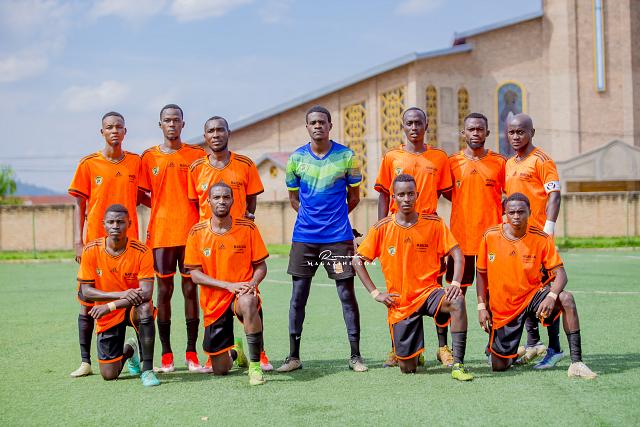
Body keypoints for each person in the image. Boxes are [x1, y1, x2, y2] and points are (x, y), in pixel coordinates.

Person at [353, 174, 472, 380]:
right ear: (393, 197)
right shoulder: (382, 228)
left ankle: (458, 364)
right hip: (402, 302)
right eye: (401, 194)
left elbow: (458, 254)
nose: (406, 199)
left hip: (429, 293)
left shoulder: (434, 224)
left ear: (417, 195)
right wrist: (376, 294)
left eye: (410, 194)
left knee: (457, 300)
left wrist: (455, 283)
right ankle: (415, 354)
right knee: (408, 368)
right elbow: (357, 260)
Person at [278, 105, 366, 373]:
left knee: (346, 295)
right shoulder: (295, 159)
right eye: (313, 122)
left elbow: (354, 197)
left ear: (330, 125)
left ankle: (355, 356)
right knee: (298, 297)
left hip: (338, 237)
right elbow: (294, 199)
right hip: (305, 237)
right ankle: (293, 357)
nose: (318, 126)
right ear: (307, 127)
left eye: (322, 122)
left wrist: (335, 218)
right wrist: (313, 219)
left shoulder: (347, 156)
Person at [476, 193, 596, 379]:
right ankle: (513, 353)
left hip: (532, 296)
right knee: (498, 366)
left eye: (521, 212)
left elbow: (561, 275)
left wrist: (551, 296)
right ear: (505, 213)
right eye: (511, 212)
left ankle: (577, 363)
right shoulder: (490, 236)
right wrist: (481, 306)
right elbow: (481, 274)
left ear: (530, 213)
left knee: (566, 298)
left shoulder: (541, 238)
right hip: (505, 308)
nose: (516, 216)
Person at [187, 115, 272, 371]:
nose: (216, 135)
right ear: (205, 136)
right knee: (219, 369)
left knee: (249, 299)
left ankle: (260, 354)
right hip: (209, 247)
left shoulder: (245, 164)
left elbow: (252, 199)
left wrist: (247, 217)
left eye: (220, 130)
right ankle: (230, 353)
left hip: (238, 240)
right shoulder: (196, 168)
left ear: (228, 133)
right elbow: (194, 204)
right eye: (211, 131)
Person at [374, 107, 454, 368]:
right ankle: (399, 348)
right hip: (397, 232)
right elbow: (384, 194)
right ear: (403, 126)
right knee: (397, 293)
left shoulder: (439, 157)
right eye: (409, 123)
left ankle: (443, 347)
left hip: (428, 232)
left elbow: (446, 192)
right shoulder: (391, 157)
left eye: (418, 123)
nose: (414, 127)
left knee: (436, 289)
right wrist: (381, 228)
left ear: (426, 125)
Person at [68, 111, 145, 377]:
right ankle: (85, 361)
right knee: (86, 300)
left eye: (118, 127)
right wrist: (78, 241)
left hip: (129, 245)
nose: (114, 131)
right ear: (102, 132)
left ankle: (143, 356)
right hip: (95, 244)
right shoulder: (89, 163)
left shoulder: (136, 162)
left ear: (125, 131)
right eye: (109, 127)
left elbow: (145, 195)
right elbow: (79, 204)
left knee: (137, 298)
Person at [139, 104, 205, 373]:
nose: (172, 124)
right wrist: (160, 206)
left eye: (176, 120)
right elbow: (140, 194)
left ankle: (191, 353)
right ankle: (166, 355)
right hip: (162, 235)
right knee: (163, 292)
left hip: (191, 234)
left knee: (191, 290)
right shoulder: (149, 157)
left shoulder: (197, 155)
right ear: (160, 125)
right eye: (167, 120)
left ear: (183, 124)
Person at [184, 182, 269, 386]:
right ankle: (235, 352)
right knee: (220, 370)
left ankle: (255, 367)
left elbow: (261, 266)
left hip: (241, 294)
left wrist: (252, 283)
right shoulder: (197, 232)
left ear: (232, 200)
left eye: (226, 197)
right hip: (214, 301)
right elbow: (195, 275)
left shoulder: (248, 228)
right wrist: (227, 285)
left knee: (248, 301)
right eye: (217, 197)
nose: (221, 201)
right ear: (208, 201)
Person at [78, 204, 160, 386]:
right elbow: (86, 291)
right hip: (108, 315)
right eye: (111, 222)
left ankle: (147, 370)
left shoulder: (142, 251)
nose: (115, 226)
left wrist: (111, 305)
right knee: (109, 374)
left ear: (129, 224)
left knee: (145, 308)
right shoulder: (90, 250)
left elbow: (146, 293)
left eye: (120, 222)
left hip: (131, 308)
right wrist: (121, 294)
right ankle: (130, 350)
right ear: (103, 224)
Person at [505, 113, 563, 368]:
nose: (516, 136)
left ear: (532, 132)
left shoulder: (542, 160)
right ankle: (533, 343)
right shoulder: (509, 163)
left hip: (539, 239)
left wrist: (548, 229)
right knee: (524, 289)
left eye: (521, 132)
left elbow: (555, 196)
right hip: (518, 239)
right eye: (511, 132)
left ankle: (555, 348)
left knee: (548, 291)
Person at [445, 113, 505, 291]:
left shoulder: (500, 162)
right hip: (461, 238)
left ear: (487, 132)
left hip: (492, 238)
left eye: (480, 129)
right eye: (471, 129)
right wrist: (463, 200)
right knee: (456, 293)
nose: (476, 133)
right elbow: (447, 192)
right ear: (463, 133)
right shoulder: (452, 162)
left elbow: (511, 195)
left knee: (492, 292)